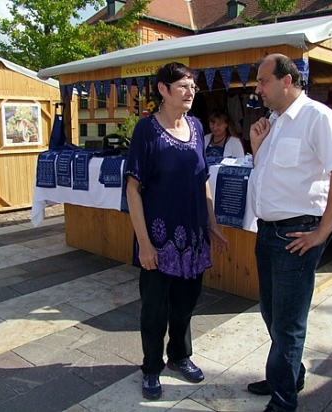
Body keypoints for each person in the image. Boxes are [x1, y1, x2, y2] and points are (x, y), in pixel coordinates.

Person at [247, 54, 332, 412]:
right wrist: (256, 147)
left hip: (296, 235)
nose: (258, 88)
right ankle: (288, 374)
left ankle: (283, 401)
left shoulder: (318, 118)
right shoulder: (274, 123)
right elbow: (268, 175)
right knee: (272, 314)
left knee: (288, 322)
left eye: (263, 81)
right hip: (267, 232)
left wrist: (323, 231)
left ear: (287, 80)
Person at [124, 62, 229, 400]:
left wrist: (212, 224)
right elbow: (132, 189)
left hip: (194, 238)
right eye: (183, 85)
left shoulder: (197, 126)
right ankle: (151, 367)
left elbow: (203, 179)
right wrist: (144, 244)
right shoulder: (147, 130)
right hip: (159, 239)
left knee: (185, 304)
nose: (190, 92)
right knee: (155, 309)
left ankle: (180, 356)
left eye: (193, 86)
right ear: (163, 89)